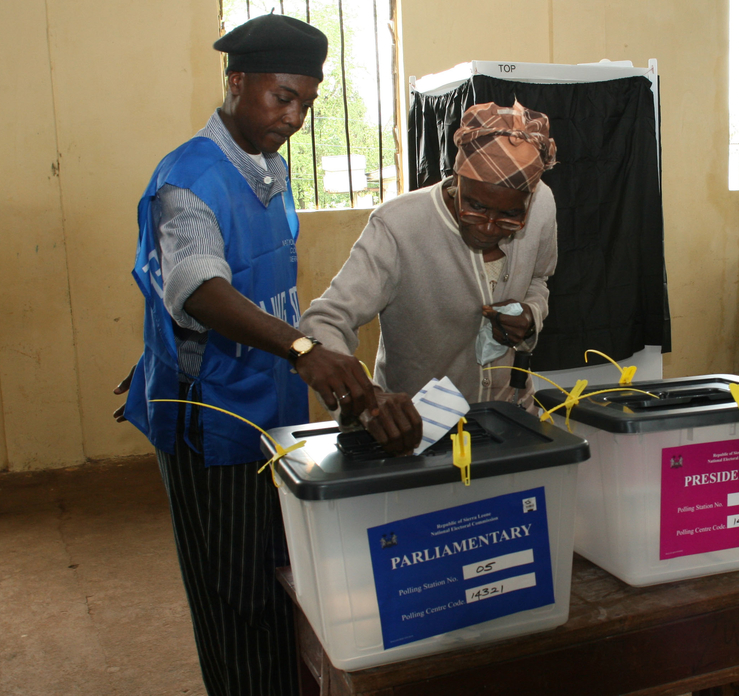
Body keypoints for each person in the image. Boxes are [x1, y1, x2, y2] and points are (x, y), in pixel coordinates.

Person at [113, 15, 406, 696]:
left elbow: (268, 290)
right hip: (210, 423)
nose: (295, 117)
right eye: (283, 98)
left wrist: (336, 369)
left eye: (307, 102)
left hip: (266, 414)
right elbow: (201, 289)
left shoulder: (269, 170)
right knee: (234, 600)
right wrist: (304, 348)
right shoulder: (189, 180)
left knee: (277, 581)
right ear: (236, 81)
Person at [300, 100, 559, 430]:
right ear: (457, 180)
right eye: (475, 207)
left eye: (511, 216)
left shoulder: (542, 206)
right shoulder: (398, 226)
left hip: (509, 414)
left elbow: (539, 279)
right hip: (416, 428)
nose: (491, 227)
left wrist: (531, 314)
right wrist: (368, 401)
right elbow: (325, 321)